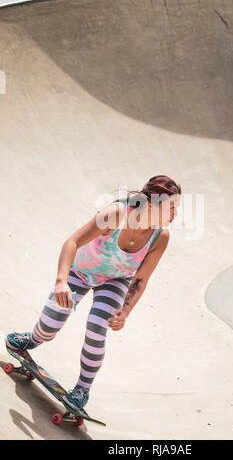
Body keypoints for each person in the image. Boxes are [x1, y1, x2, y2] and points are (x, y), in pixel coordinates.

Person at [6, 175, 181, 411]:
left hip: (116, 280)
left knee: (98, 327)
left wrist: (125, 311)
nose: (176, 214)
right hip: (79, 272)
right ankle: (33, 339)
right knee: (49, 327)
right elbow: (72, 242)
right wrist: (61, 282)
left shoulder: (161, 236)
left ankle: (82, 389)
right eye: (171, 208)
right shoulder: (117, 214)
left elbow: (140, 279)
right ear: (151, 205)